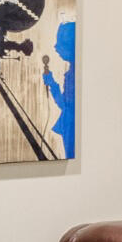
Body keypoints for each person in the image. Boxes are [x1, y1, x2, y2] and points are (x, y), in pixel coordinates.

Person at [42, 19, 77, 159]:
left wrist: (52, 83)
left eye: (61, 43)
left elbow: (65, 104)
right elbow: (65, 104)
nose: (56, 47)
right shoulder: (73, 71)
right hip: (69, 123)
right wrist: (51, 83)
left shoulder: (74, 74)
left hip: (71, 125)